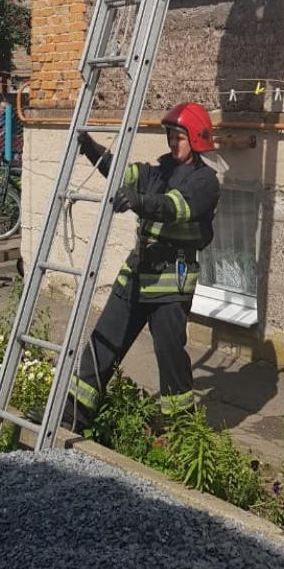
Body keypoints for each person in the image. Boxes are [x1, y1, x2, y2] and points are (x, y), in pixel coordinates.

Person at [66, 102, 220, 430]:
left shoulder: (205, 181)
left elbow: (174, 207)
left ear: (196, 138)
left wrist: (139, 201)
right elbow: (122, 173)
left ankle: (181, 430)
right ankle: (73, 415)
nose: (172, 142)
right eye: (170, 136)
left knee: (170, 357)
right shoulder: (158, 171)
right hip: (136, 274)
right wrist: (92, 149)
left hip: (170, 282)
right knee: (102, 342)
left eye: (179, 137)